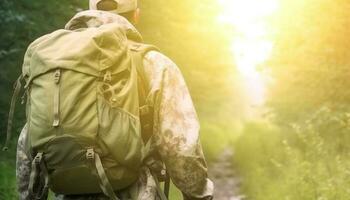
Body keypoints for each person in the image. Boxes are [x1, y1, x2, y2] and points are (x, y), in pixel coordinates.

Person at [16, 0, 214, 199]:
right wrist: (198, 195)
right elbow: (181, 147)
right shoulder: (153, 63)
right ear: (136, 15)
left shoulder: (56, 61)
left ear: (90, 11)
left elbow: (28, 143)